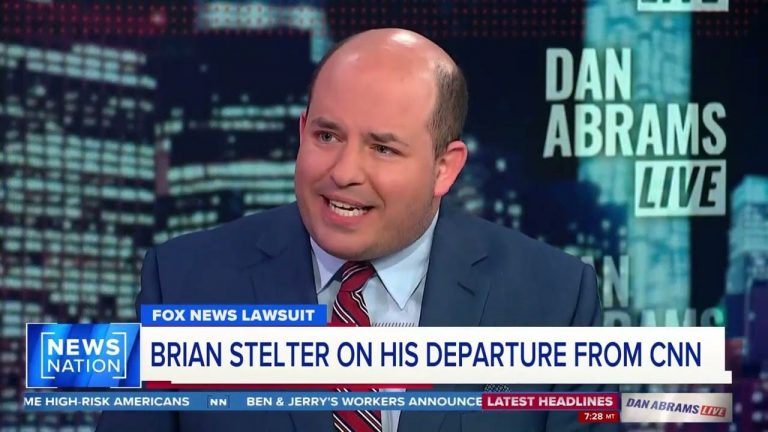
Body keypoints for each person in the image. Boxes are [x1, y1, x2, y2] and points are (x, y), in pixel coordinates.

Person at [97, 28, 616, 432]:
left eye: (382, 148)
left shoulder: (554, 299)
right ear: (302, 132)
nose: (344, 172)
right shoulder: (185, 282)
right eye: (327, 136)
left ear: (445, 168)